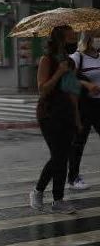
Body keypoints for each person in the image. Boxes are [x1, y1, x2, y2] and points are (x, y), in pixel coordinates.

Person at [30, 25, 82, 214]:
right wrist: (59, 72)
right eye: (70, 37)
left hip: (66, 112)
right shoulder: (47, 60)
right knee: (59, 156)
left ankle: (53, 198)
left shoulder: (71, 62)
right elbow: (42, 90)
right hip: (49, 113)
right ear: (60, 40)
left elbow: (72, 92)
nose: (74, 41)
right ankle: (42, 192)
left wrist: (77, 118)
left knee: (63, 156)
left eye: (75, 37)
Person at [68, 32, 100, 190]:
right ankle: (73, 177)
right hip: (85, 105)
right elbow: (69, 80)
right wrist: (87, 85)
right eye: (95, 34)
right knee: (79, 142)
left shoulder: (99, 55)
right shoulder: (77, 57)